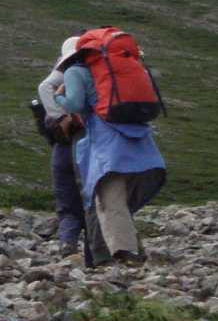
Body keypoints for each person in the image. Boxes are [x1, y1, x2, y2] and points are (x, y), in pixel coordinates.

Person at [56, 37, 167, 265]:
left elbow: (75, 104)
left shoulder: (75, 71)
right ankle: (136, 253)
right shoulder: (118, 70)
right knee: (122, 204)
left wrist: (59, 96)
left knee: (108, 200)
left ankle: (125, 255)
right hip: (141, 145)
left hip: (107, 143)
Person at [37, 37, 90, 261]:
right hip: (91, 141)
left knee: (67, 202)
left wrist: (60, 117)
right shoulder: (95, 71)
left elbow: (44, 87)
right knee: (94, 199)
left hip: (64, 143)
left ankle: (68, 245)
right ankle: (96, 254)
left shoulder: (65, 73)